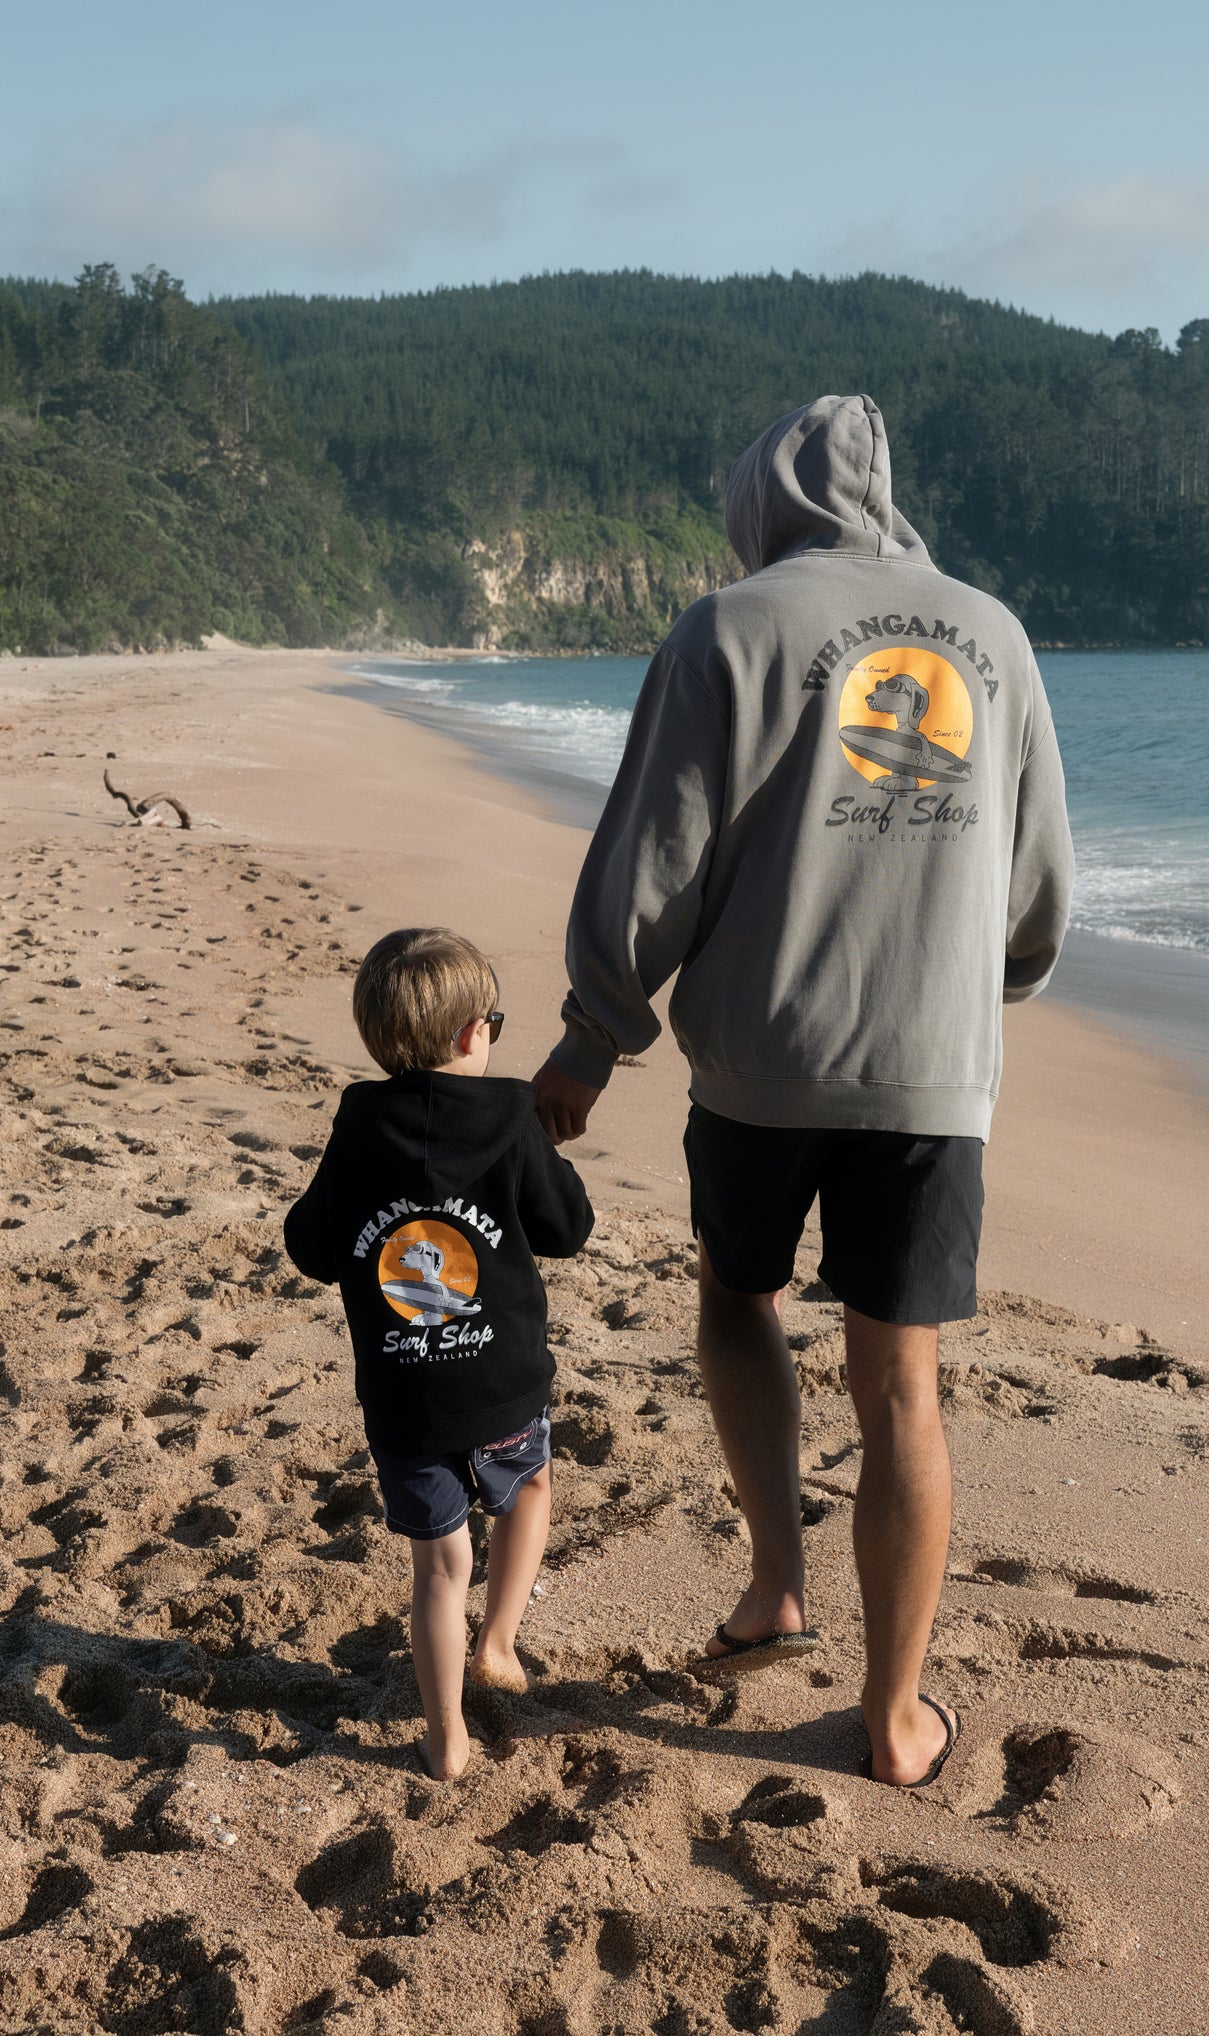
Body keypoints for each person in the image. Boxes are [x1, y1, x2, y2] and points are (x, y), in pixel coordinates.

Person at [534, 395, 1073, 1789]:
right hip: (929, 1070)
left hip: (760, 1063)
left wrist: (595, 1034)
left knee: (738, 1295)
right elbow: (1035, 873)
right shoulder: (995, 633)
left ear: (759, 498)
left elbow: (657, 852)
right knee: (902, 1385)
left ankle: (777, 1580)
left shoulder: (725, 629)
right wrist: (984, 987)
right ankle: (893, 1717)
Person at [285, 928, 593, 1780]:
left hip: (406, 1403)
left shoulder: (359, 1128)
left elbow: (311, 1247)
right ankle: (499, 1642)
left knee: (440, 1566)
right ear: (471, 1034)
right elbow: (567, 1227)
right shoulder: (513, 1119)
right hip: (503, 1386)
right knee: (530, 1487)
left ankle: (446, 1739)